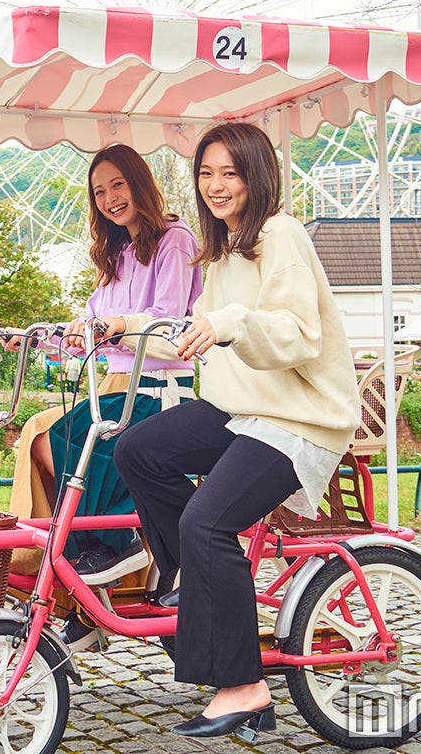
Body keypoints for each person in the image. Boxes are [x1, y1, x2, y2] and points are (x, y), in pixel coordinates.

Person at [112, 121, 358, 740]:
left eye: (231, 172)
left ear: (256, 176)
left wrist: (230, 322)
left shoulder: (280, 235)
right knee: (138, 449)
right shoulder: (218, 248)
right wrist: (125, 324)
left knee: (206, 522)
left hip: (296, 417)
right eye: (206, 173)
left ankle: (245, 685)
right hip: (238, 408)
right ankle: (186, 582)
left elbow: (296, 333)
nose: (216, 186)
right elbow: (192, 329)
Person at [7, 143, 202, 591]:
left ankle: (112, 545)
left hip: (156, 385)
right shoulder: (114, 256)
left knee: (55, 438)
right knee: (41, 436)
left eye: (119, 185)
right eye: (99, 192)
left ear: (140, 184)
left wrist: (112, 328)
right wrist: (37, 338)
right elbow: (90, 334)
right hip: (114, 383)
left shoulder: (174, 241)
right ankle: (82, 566)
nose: (111, 198)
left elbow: (168, 320)